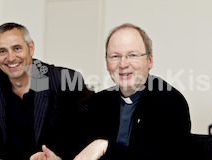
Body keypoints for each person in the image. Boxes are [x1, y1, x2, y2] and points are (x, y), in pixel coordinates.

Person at [32, 23, 193, 160]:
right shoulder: (99, 102)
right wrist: (57, 157)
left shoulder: (171, 102)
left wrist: (106, 147)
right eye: (115, 56)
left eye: (132, 55)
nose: (123, 64)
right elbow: (79, 147)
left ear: (149, 60)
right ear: (107, 63)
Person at [0, 22, 94, 160]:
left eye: (17, 48)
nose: (10, 58)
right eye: (2, 51)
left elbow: (92, 134)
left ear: (31, 48)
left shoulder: (64, 81)